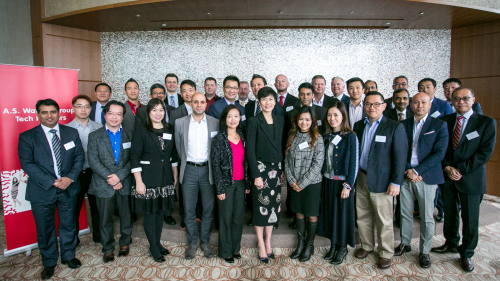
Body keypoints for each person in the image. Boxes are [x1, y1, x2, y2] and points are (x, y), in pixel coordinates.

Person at [18, 99, 85, 280]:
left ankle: (69, 255)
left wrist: (69, 178)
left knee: (68, 224)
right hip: (42, 190)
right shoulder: (27, 137)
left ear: (58, 113)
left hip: (68, 188)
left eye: (53, 112)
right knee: (45, 228)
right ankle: (48, 262)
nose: (49, 115)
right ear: (38, 114)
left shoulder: (71, 132)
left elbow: (79, 157)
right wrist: (53, 181)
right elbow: (27, 164)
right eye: (45, 112)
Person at [431, 87, 496, 272]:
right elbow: (439, 148)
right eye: (457, 99)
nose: (461, 102)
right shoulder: (444, 121)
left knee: (470, 217)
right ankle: (450, 242)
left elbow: (485, 153)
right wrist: (447, 167)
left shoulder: (486, 122)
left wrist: (460, 169)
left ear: (473, 99)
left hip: (471, 177)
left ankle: (467, 252)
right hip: (448, 175)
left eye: (465, 98)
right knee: (450, 214)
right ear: (452, 101)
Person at [353, 91, 408, 269]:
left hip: (383, 181)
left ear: (384, 106)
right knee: (363, 215)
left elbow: (400, 158)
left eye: (376, 104)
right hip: (362, 177)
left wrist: (396, 182)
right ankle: (367, 246)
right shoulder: (359, 125)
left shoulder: (394, 127)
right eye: (368, 104)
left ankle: (385, 252)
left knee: (384, 220)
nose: (372, 107)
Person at [395, 92, 448, 268]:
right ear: (410, 104)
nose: (419, 106)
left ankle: (425, 251)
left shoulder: (439, 125)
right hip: (406, 175)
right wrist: (409, 169)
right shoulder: (403, 124)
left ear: (430, 104)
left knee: (426, 216)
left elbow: (439, 153)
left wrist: (417, 171)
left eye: (423, 102)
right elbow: (399, 150)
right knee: (404, 212)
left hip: (426, 177)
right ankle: (405, 242)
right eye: (416, 102)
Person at [130, 98, 178, 263]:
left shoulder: (169, 129)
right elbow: (134, 157)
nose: (158, 114)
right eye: (154, 110)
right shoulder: (141, 130)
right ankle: (153, 246)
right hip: (148, 178)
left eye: (161, 110)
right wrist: (138, 182)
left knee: (160, 212)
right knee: (150, 214)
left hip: (165, 177)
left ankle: (157, 243)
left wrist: (175, 174)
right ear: (148, 113)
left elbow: (172, 155)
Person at [88, 100, 133, 264]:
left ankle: (125, 243)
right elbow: (93, 161)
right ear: (105, 115)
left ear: (123, 116)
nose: (115, 117)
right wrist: (111, 178)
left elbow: (132, 160)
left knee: (126, 216)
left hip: (124, 182)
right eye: (111, 113)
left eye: (119, 114)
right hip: (103, 184)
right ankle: (107, 248)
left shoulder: (129, 134)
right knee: (105, 219)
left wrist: (119, 176)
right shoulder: (95, 136)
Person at [174, 92, 219, 260]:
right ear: (191, 103)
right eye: (196, 102)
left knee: (208, 209)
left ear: (206, 104)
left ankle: (205, 242)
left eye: (202, 102)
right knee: (189, 209)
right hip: (190, 170)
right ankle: (192, 243)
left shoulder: (215, 123)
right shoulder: (180, 123)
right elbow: (179, 149)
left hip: (208, 170)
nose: (199, 105)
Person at [317, 100, 359, 265]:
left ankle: (342, 248)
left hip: (342, 185)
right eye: (329, 115)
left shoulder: (351, 137)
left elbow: (354, 164)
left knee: (342, 217)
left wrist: (348, 185)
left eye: (336, 115)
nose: (332, 118)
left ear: (343, 116)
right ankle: (333, 245)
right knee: (330, 215)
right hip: (327, 182)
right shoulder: (326, 136)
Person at [246, 87, 284, 264]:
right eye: (264, 99)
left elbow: (281, 146)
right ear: (259, 102)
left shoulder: (280, 120)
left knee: (273, 210)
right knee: (261, 208)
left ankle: (269, 241)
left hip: (275, 170)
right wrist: (256, 174)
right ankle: (260, 243)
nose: (268, 103)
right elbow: (250, 151)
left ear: (275, 101)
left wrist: (282, 168)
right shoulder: (253, 121)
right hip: (261, 170)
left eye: (271, 99)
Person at [211, 105, 250, 264]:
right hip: (226, 184)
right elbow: (215, 166)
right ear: (224, 119)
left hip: (241, 183)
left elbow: (245, 162)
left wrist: (247, 183)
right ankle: (225, 251)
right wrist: (219, 188)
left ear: (240, 118)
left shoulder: (243, 136)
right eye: (229, 116)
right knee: (225, 218)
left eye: (236, 116)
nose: (233, 119)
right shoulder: (219, 139)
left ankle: (235, 248)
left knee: (237, 217)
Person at [285, 106, 325, 262]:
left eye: (307, 119)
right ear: (297, 120)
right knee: (299, 213)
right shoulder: (292, 135)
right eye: (301, 119)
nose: (304, 122)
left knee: (311, 215)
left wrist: (302, 183)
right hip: (294, 183)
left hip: (312, 184)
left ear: (312, 121)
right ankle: (300, 244)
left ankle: (309, 245)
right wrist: (292, 181)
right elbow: (286, 160)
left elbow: (318, 163)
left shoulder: (317, 137)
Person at [65, 95, 103, 245]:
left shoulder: (99, 127)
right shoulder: (66, 129)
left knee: (97, 206)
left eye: (87, 106)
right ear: (73, 107)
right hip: (75, 174)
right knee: (73, 208)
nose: (83, 109)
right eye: (79, 106)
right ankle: (73, 240)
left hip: (94, 173)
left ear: (90, 108)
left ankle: (99, 237)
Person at [169, 79, 199, 229]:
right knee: (184, 189)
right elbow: (174, 137)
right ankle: (184, 217)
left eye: (190, 90)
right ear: (181, 94)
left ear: (195, 91)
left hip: (198, 155)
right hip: (182, 156)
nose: (188, 93)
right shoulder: (175, 113)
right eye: (184, 91)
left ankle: (197, 214)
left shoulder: (201, 108)